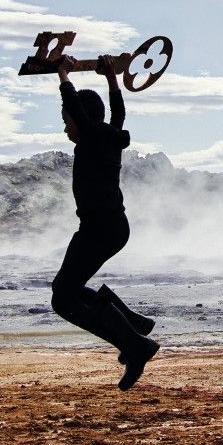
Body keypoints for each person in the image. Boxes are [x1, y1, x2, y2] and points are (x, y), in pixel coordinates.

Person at [49, 55, 158, 390]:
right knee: (67, 289)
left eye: (67, 121)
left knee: (62, 298)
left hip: (98, 230)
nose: (66, 127)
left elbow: (78, 107)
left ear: (80, 119)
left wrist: (63, 74)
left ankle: (134, 344)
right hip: (111, 228)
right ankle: (132, 323)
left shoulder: (92, 137)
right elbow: (118, 112)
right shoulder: (110, 136)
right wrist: (111, 77)